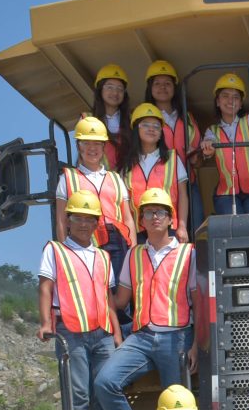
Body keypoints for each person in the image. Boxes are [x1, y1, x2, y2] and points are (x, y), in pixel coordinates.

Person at [93, 187, 196, 410]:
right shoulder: (134, 254)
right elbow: (120, 300)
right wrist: (94, 286)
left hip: (177, 337)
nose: (154, 217)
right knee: (105, 382)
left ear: (171, 219)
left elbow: (200, 302)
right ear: (141, 221)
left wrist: (197, 345)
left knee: (177, 404)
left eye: (160, 212)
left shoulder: (188, 253)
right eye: (148, 213)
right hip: (141, 338)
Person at [37, 190, 120, 410]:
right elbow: (45, 287)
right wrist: (45, 323)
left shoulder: (103, 257)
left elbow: (108, 298)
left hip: (102, 334)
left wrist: (116, 333)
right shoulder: (55, 250)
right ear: (68, 220)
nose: (84, 224)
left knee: (103, 392)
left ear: (97, 223)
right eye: (78, 218)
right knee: (80, 395)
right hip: (71, 332)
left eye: (90, 219)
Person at [55, 115, 135, 280]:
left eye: (97, 143)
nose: (92, 148)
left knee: (119, 291)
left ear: (104, 146)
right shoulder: (67, 178)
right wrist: (65, 254)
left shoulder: (116, 179)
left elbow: (128, 219)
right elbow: (61, 221)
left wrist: (133, 251)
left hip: (118, 243)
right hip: (84, 241)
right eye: (86, 143)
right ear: (78, 146)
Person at [145, 60, 204, 233]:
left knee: (197, 231)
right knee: (166, 235)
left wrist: (195, 158)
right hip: (158, 188)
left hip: (189, 185)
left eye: (167, 83)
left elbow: (199, 162)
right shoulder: (145, 118)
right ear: (150, 88)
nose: (162, 87)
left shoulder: (188, 118)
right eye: (157, 83)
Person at [201, 72, 249, 215]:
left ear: (241, 103)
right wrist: (207, 147)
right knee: (233, 223)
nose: (230, 100)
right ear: (217, 101)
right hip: (226, 192)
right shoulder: (212, 130)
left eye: (236, 97)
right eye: (225, 96)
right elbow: (208, 143)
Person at [123, 103, 190, 240]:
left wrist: (182, 226)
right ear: (136, 129)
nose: (151, 129)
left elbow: (183, 195)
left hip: (168, 229)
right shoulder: (126, 164)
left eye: (156, 126)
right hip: (138, 232)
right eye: (146, 125)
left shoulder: (172, 158)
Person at [91, 63, 135, 171]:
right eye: (109, 87)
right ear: (100, 90)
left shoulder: (132, 120)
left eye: (120, 89)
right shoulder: (88, 119)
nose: (115, 92)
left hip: (127, 177)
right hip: (96, 178)